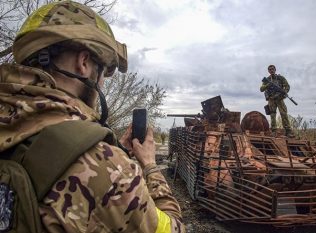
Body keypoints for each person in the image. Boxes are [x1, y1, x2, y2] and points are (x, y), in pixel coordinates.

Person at [0, 1, 184, 232]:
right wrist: (148, 165)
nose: (103, 83)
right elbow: (173, 229)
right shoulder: (105, 165)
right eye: (104, 72)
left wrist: (121, 154)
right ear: (84, 63)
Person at [260, 65, 294, 137]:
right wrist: (268, 85)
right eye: (270, 69)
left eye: (272, 69)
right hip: (271, 99)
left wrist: (284, 92)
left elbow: (287, 86)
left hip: (280, 99)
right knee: (272, 115)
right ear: (268, 71)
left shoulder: (280, 78)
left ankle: (288, 131)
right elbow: (261, 89)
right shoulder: (267, 79)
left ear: (275, 70)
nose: (271, 70)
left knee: (283, 114)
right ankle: (273, 131)